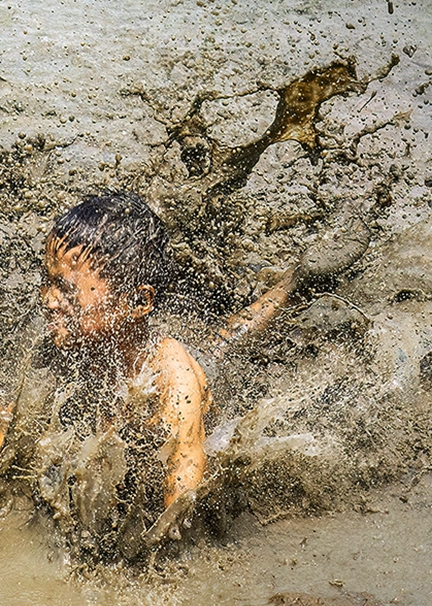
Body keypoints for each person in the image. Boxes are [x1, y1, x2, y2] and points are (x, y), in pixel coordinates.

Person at [37, 190, 312, 545]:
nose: (49, 300)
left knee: (226, 346)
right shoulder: (64, 342)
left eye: (67, 290)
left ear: (137, 301)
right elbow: (9, 419)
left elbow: (184, 464)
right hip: (158, 361)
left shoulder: (172, 376)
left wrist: (159, 550)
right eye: (47, 281)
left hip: (203, 375)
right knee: (223, 340)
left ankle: (296, 281)